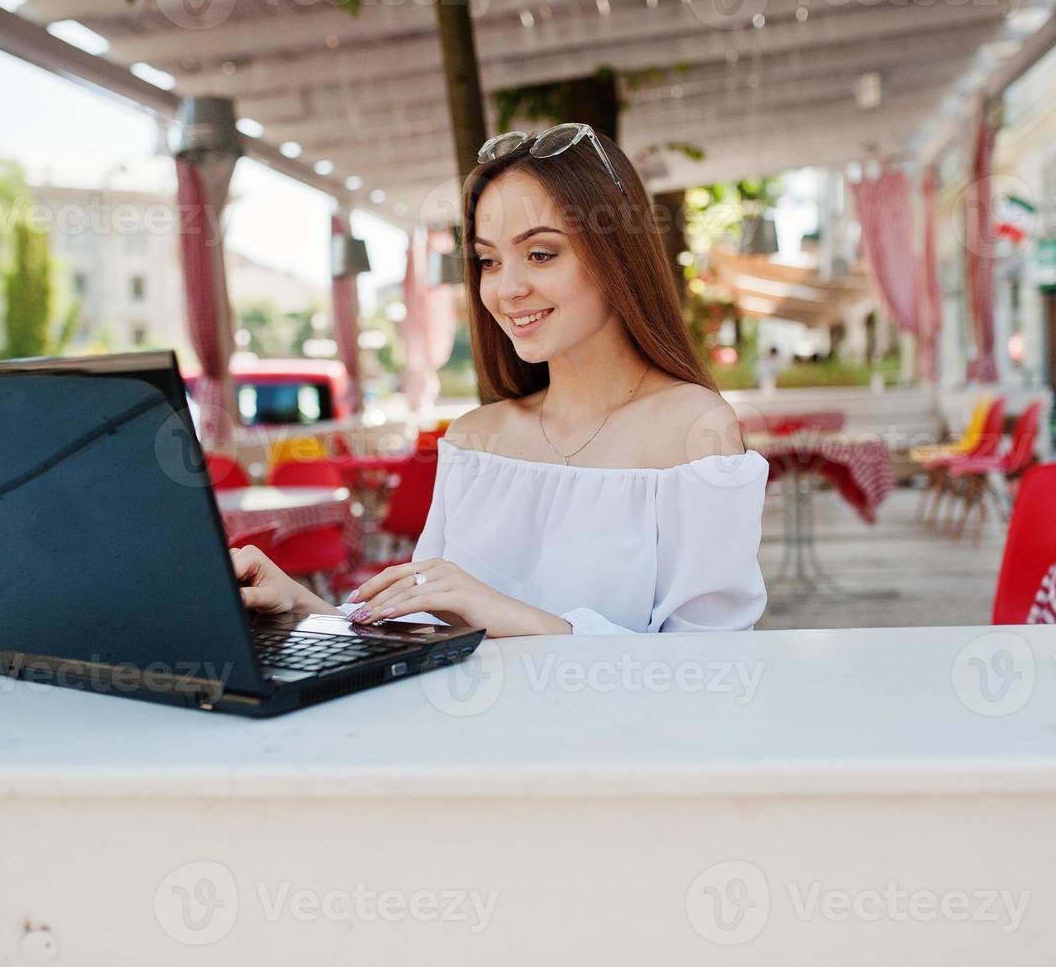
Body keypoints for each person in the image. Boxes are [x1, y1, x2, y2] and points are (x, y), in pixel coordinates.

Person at [232, 123, 768, 637]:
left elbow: (708, 660)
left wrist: (509, 616)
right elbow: (425, 635)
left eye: (540, 253)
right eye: (488, 261)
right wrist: (302, 610)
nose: (506, 289)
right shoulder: (473, 441)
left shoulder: (696, 431)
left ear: (617, 259)